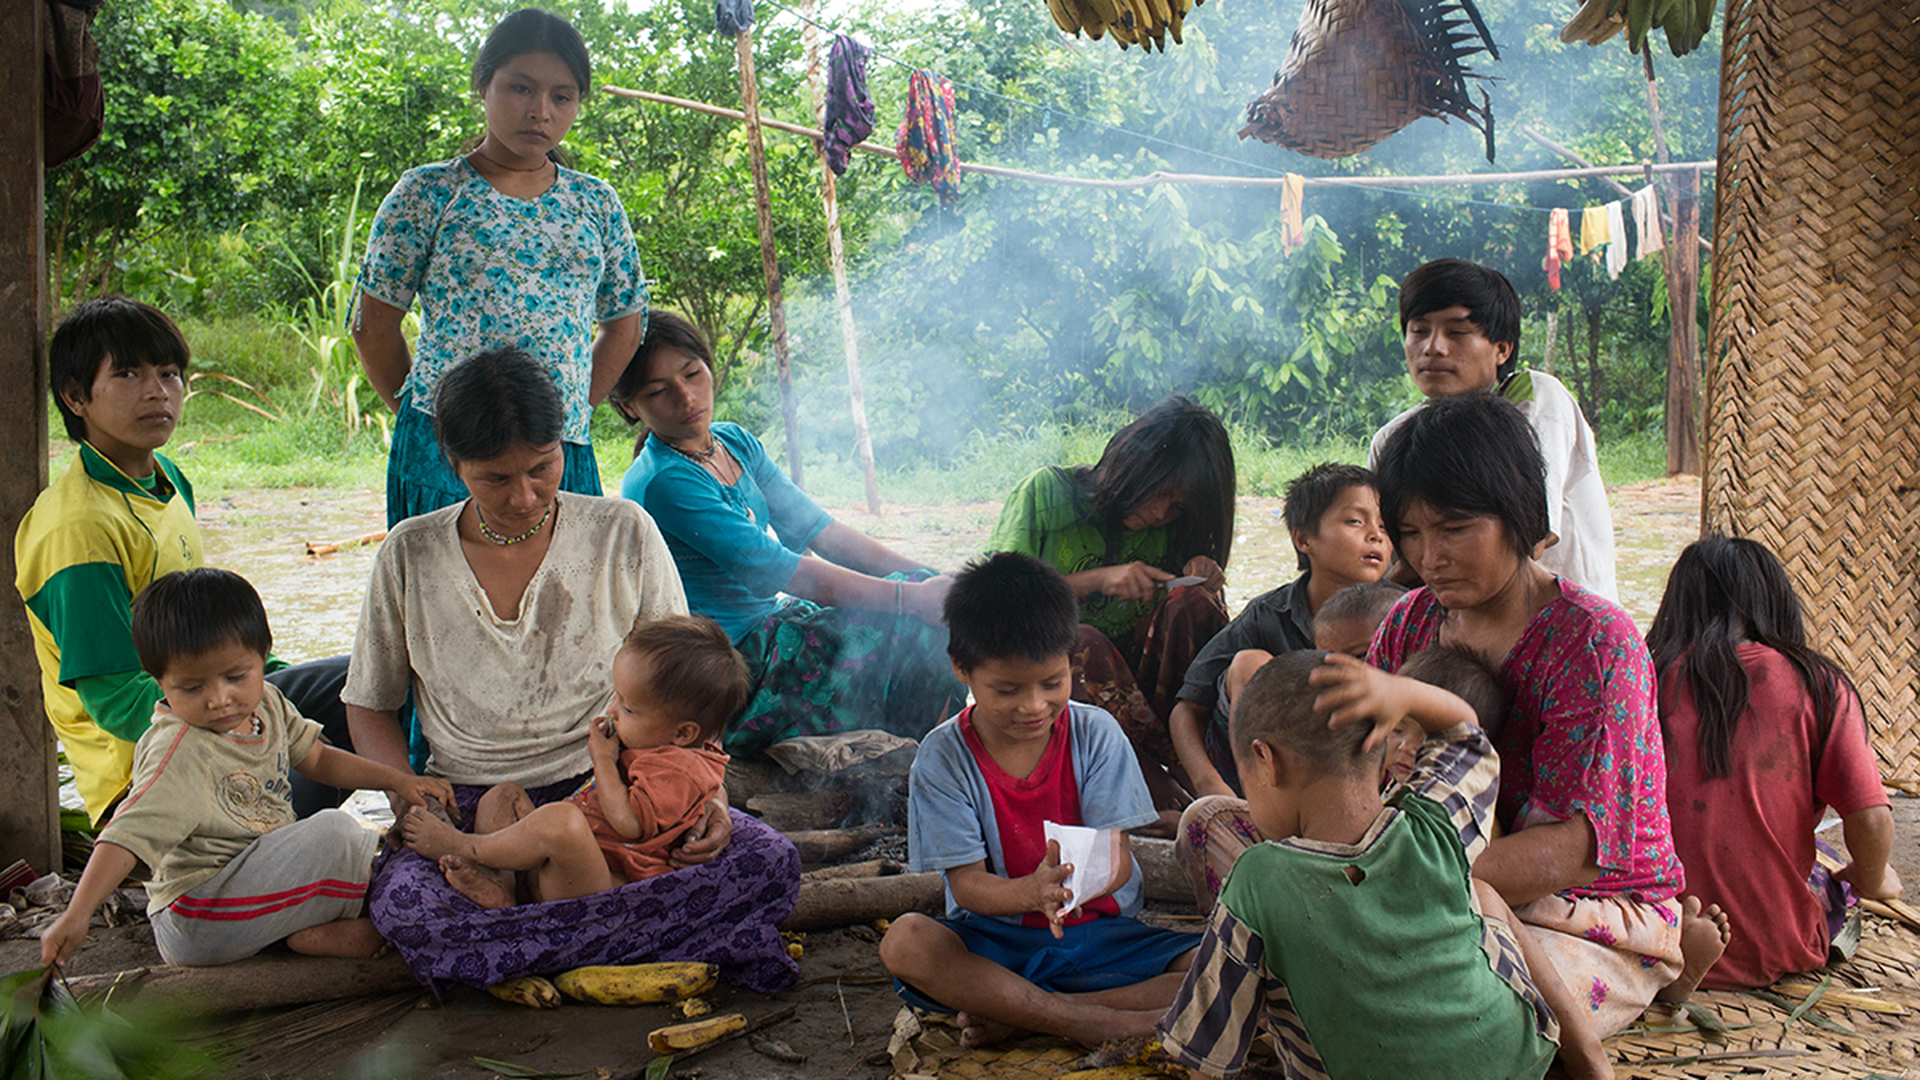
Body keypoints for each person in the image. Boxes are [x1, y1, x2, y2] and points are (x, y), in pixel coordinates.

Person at [342, 348, 801, 994]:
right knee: (411, 908)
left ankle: (517, 930)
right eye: (495, 479)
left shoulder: (623, 532)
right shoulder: (410, 553)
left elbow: (688, 690)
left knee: (768, 863)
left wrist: (713, 801)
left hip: (623, 793)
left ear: (566, 445)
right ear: (454, 465)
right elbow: (369, 704)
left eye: (541, 467)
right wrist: (411, 800)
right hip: (476, 805)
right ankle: (601, 935)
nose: (525, 496)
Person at [1367, 392, 1724, 1035]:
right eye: (1411, 534)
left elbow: (1576, 852)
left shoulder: (1594, 643)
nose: (1430, 557)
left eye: (1453, 528)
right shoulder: (1409, 621)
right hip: (1420, 878)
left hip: (1586, 910)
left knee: (1464, 1017)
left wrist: (1388, 880)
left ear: (1519, 515)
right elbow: (1360, 766)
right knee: (1212, 826)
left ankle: (1658, 963)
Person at [1157, 651, 1610, 1080]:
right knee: (1483, 899)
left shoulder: (1256, 879)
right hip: (1515, 1061)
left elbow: (1207, 1058)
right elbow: (1465, 734)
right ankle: (1589, 1059)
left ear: (1266, 761)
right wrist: (1403, 694)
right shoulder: (1433, 825)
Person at [15, 296, 355, 827]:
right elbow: (123, 704)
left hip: (211, 713)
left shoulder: (166, 479)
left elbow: (205, 640)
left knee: (366, 685)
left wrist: (266, 685)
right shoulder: (77, 530)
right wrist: (259, 720)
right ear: (76, 397)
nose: (157, 392)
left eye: (169, 374)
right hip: (152, 780)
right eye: (127, 374)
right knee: (333, 725)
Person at [40, 569, 455, 969]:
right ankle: (320, 927)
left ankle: (306, 928)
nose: (220, 699)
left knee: (341, 841)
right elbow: (125, 838)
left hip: (248, 883)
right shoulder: (180, 751)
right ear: (158, 681)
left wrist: (399, 780)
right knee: (340, 833)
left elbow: (319, 758)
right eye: (192, 687)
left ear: (262, 655)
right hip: (197, 918)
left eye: (236, 676)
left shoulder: (268, 704)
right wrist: (77, 914)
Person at [879, 553, 1200, 1048]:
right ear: (962, 668)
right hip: (997, 941)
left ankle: (1029, 1012)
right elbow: (967, 887)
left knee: (1219, 964)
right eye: (1007, 689)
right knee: (907, 942)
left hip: (1102, 936)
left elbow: (1115, 860)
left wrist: (1065, 892)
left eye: (1052, 683)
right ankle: (1090, 1019)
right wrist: (1030, 893)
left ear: (1071, 663)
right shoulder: (943, 758)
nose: (1033, 706)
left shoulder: (1096, 733)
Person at [613, 311, 964, 755]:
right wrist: (910, 599)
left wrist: (933, 578)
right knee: (916, 626)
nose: (686, 398)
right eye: (659, 391)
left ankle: (921, 753)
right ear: (628, 406)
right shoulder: (664, 482)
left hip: (774, 627)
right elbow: (786, 572)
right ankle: (928, 759)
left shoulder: (733, 442)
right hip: (732, 664)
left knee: (927, 602)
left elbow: (820, 529)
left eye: (692, 374)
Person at [352, 8, 646, 527]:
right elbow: (373, 326)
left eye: (562, 96)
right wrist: (438, 422)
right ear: (483, 86)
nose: (540, 111)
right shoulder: (428, 194)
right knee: (450, 594)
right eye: (520, 88)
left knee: (564, 598)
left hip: (557, 451)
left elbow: (624, 324)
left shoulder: (596, 204)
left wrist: (571, 410)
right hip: (449, 453)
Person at [1648, 535, 1901, 989]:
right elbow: (1872, 820)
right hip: (1778, 944)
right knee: (1828, 864)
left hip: (1647, 938)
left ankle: (1678, 950)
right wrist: (1870, 877)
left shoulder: (1644, 676)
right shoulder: (1818, 685)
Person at [988, 396, 1236, 806]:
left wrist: (1204, 577)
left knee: (1192, 604)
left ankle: (1200, 767)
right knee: (1082, 641)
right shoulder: (1047, 494)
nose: (1160, 512)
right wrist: (1095, 580)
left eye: (1177, 507)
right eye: (1158, 492)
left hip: (1151, 696)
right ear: (1132, 463)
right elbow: (994, 599)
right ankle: (1160, 787)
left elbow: (1193, 631)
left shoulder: (1176, 527)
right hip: (1056, 685)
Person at [399, 615, 745, 906]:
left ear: (683, 734)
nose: (612, 711)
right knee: (503, 795)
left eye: (627, 707)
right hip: (567, 866)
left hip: (604, 885)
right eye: (616, 696)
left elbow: (629, 824)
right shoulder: (656, 741)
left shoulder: (680, 768)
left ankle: (462, 846)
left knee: (562, 821)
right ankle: (500, 888)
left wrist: (604, 760)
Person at [1367, 259, 1617, 600]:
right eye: (1419, 330)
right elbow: (1389, 551)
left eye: (1456, 332)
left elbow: (1531, 534)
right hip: (1459, 631)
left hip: (1561, 623)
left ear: (1502, 349)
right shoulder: (1393, 439)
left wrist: (1376, 598)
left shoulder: (1536, 400)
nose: (1433, 347)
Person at [1169, 463, 1391, 798]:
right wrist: (1209, 787)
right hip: (1261, 776)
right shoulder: (1268, 615)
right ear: (1303, 539)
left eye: (1384, 526)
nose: (1376, 535)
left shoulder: (1403, 615)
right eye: (1355, 521)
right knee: (1248, 664)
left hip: (1362, 772)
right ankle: (1260, 809)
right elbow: (1187, 708)